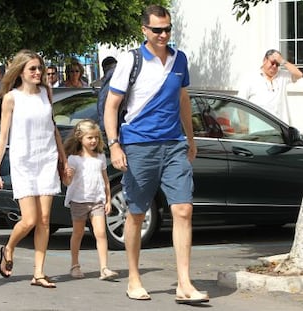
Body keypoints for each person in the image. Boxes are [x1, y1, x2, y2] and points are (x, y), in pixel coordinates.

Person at [104, 5, 209, 304]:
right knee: (136, 213)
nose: (163, 35)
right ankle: (134, 279)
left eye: (167, 29)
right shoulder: (131, 60)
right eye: (157, 30)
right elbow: (112, 106)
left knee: (183, 210)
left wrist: (190, 138)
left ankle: (184, 283)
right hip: (139, 145)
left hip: (174, 143)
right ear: (144, 30)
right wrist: (114, 144)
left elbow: (183, 99)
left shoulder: (180, 59)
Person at [0, 49, 67, 288]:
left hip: (46, 159)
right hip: (23, 161)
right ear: (20, 71)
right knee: (30, 219)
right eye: (32, 68)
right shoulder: (11, 98)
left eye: (39, 68)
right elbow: (3, 137)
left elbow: (53, 127)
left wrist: (63, 161)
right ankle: (9, 247)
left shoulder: (46, 92)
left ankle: (39, 273)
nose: (38, 72)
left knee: (44, 219)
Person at [63, 119, 119, 281]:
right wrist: (68, 175)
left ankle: (104, 268)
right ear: (80, 138)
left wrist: (108, 200)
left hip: (97, 201)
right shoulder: (74, 159)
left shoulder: (100, 157)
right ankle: (75, 265)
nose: (93, 141)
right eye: (89, 138)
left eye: (95, 137)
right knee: (78, 233)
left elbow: (106, 180)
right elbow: (68, 181)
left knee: (101, 233)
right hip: (79, 201)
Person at [237, 49, 303, 125]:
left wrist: (282, 61)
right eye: (272, 63)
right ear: (264, 60)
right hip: (258, 129)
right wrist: (243, 125)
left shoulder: (282, 76)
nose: (274, 66)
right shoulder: (250, 78)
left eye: (277, 64)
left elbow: (299, 74)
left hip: (280, 128)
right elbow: (240, 103)